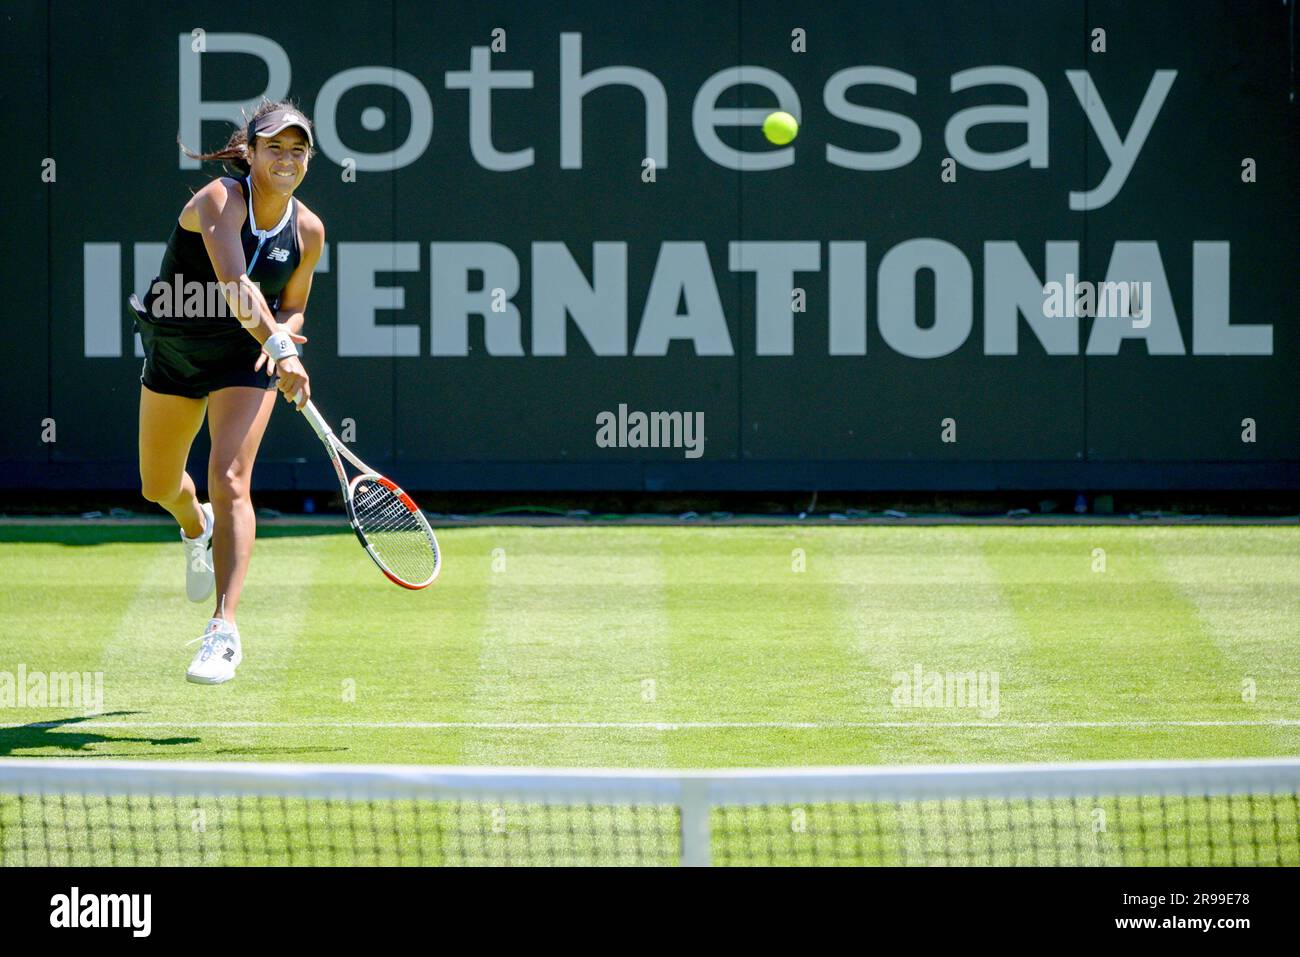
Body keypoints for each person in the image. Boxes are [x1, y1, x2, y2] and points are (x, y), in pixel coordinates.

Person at [132, 99, 325, 684]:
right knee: (157, 484)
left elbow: (292, 308)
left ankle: (224, 629)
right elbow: (238, 287)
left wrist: (282, 340)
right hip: (177, 349)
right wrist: (286, 348)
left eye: (299, 150)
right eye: (275, 148)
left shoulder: (309, 230)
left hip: (244, 361)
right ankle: (196, 525)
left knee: (232, 477)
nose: (287, 159)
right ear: (250, 152)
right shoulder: (220, 199)